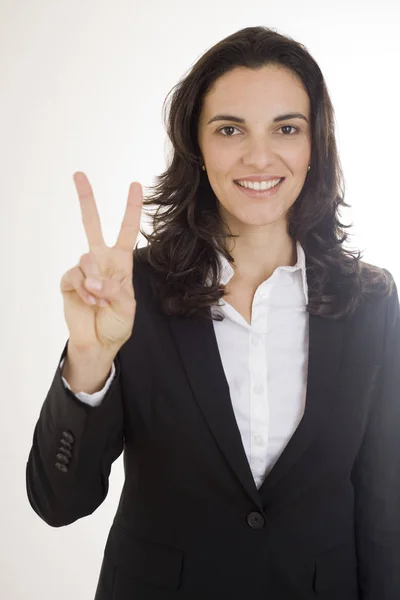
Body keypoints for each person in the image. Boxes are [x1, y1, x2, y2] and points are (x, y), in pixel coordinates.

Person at [26, 26, 399, 600]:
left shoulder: (369, 301)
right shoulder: (132, 291)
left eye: (287, 128)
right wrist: (89, 361)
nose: (259, 155)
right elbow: (59, 503)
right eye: (230, 129)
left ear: (313, 145)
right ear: (197, 147)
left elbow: (383, 505)